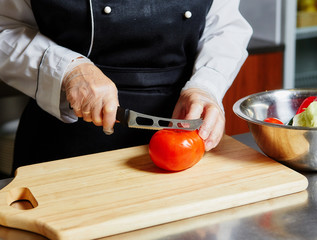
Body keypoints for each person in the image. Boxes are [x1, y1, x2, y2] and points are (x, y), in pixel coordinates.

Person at [0, 0, 252, 174]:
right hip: (64, 143)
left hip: (181, 141)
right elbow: (4, 26)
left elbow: (225, 26)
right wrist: (68, 70)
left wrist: (205, 85)